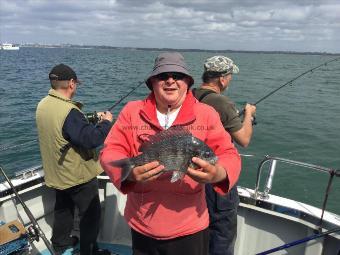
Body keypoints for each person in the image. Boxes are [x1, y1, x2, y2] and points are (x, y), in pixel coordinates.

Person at [100, 52, 241, 255]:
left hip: (189, 226)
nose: (170, 81)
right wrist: (129, 174)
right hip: (142, 225)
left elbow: (229, 153)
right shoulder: (132, 111)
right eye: (163, 76)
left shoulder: (206, 113)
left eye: (178, 75)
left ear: (187, 82)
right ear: (152, 82)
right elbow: (111, 150)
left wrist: (219, 173)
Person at [36, 64, 113, 255]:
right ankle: (89, 251)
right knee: (90, 215)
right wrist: (105, 123)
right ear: (71, 83)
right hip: (77, 175)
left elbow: (63, 132)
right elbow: (91, 140)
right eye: (75, 83)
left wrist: (87, 123)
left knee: (63, 209)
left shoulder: (42, 104)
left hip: (57, 172)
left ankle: (61, 244)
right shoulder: (69, 111)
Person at [193, 56, 256, 255]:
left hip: (194, 173)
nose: (230, 80)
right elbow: (244, 139)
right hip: (217, 175)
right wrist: (248, 115)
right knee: (222, 230)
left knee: (199, 228)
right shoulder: (221, 101)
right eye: (229, 76)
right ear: (221, 79)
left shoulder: (192, 95)